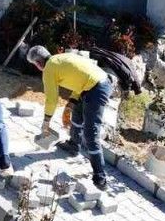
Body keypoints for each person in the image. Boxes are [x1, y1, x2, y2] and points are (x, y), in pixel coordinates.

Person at [26, 45, 113, 189]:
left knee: (91, 134)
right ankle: (74, 145)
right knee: (77, 114)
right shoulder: (60, 58)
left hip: (97, 89)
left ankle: (100, 176)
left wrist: (46, 121)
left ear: (38, 63)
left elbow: (51, 99)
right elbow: (81, 78)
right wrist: (71, 103)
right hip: (96, 83)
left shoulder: (49, 69)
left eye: (35, 65)